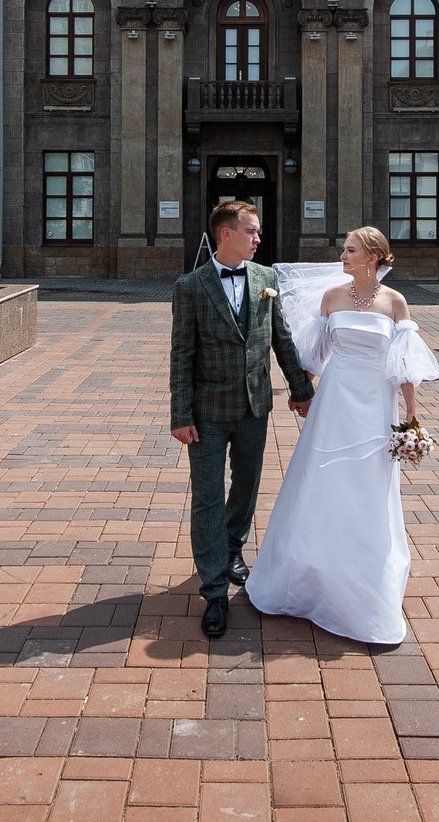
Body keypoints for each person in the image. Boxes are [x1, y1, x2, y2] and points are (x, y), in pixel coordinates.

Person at [244, 227, 439, 647]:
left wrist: (411, 415)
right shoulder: (332, 296)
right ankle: (307, 573)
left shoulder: (394, 302)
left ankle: (362, 580)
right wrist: (303, 390)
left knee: (366, 487)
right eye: (344, 250)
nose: (343, 256)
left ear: (372, 257)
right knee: (322, 481)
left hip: (375, 405)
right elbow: (316, 354)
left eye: (350, 250)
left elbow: (403, 363)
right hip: (334, 402)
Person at [169, 200, 312, 640]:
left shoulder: (266, 278)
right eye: (251, 231)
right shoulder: (191, 287)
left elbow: (280, 338)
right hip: (207, 414)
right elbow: (182, 355)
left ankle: (232, 549)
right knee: (208, 497)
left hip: (254, 407)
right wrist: (180, 414)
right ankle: (214, 591)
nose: (258, 238)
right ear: (225, 234)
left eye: (258, 231)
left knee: (247, 486)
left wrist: (301, 388)